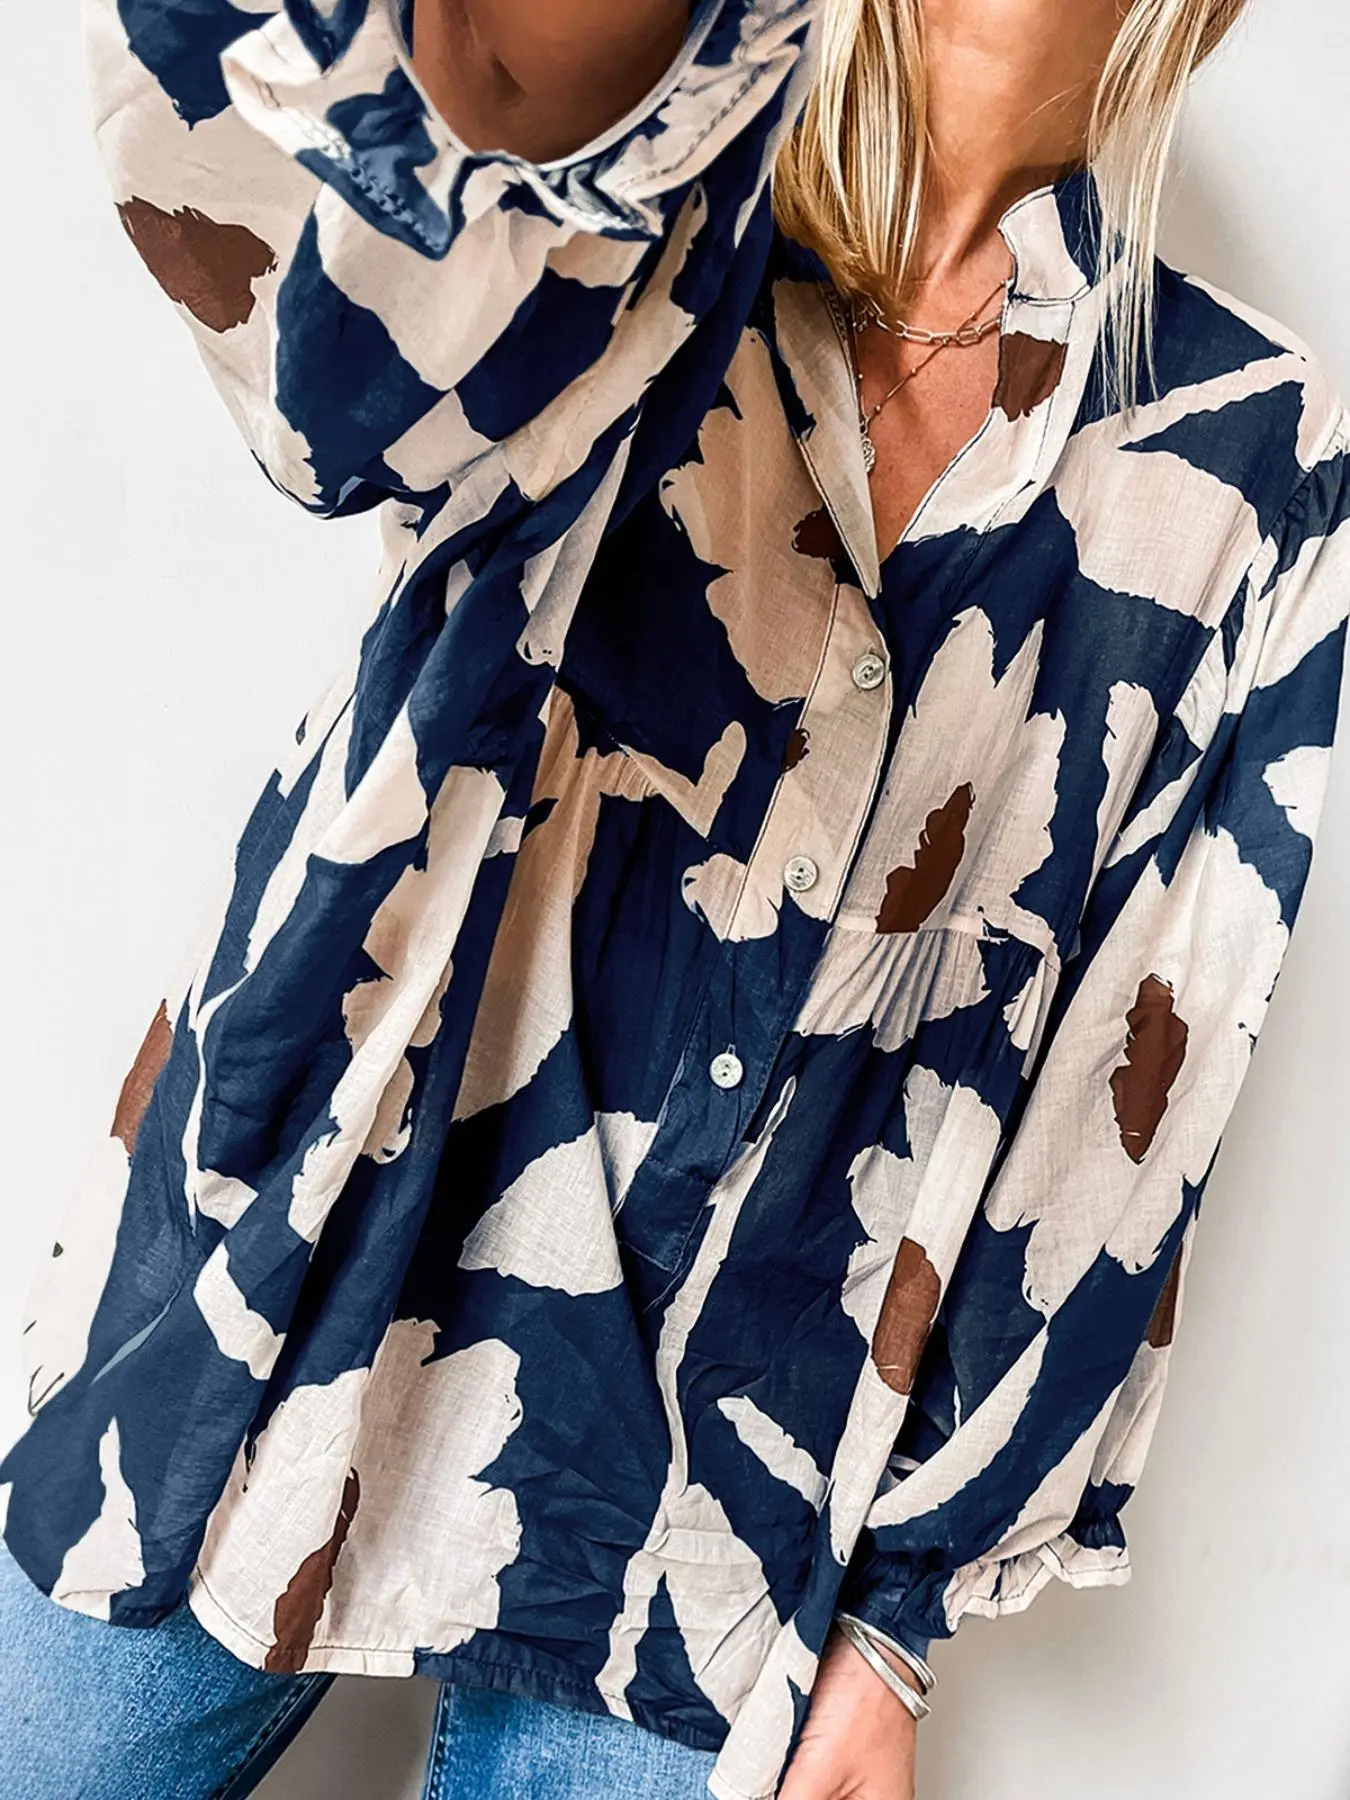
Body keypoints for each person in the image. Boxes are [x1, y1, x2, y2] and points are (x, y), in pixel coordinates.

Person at [1, 0, 1346, 1796]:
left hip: (724, 1499)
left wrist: (897, 1619)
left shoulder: (1250, 444)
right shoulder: (635, 180)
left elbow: (1134, 1085)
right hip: (284, 1288)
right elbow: (323, 349)